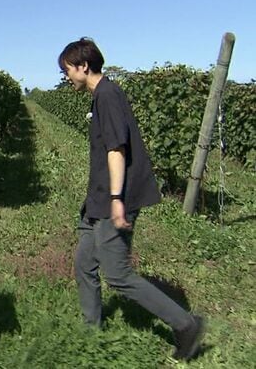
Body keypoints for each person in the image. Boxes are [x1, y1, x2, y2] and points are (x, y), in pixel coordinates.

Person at [58, 37, 205, 361]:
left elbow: (116, 149)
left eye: (68, 69)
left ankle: (186, 325)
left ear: (83, 66)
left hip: (112, 198)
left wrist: (116, 199)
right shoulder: (100, 96)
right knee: (84, 262)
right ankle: (90, 329)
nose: (66, 75)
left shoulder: (108, 95)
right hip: (96, 200)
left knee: (118, 274)